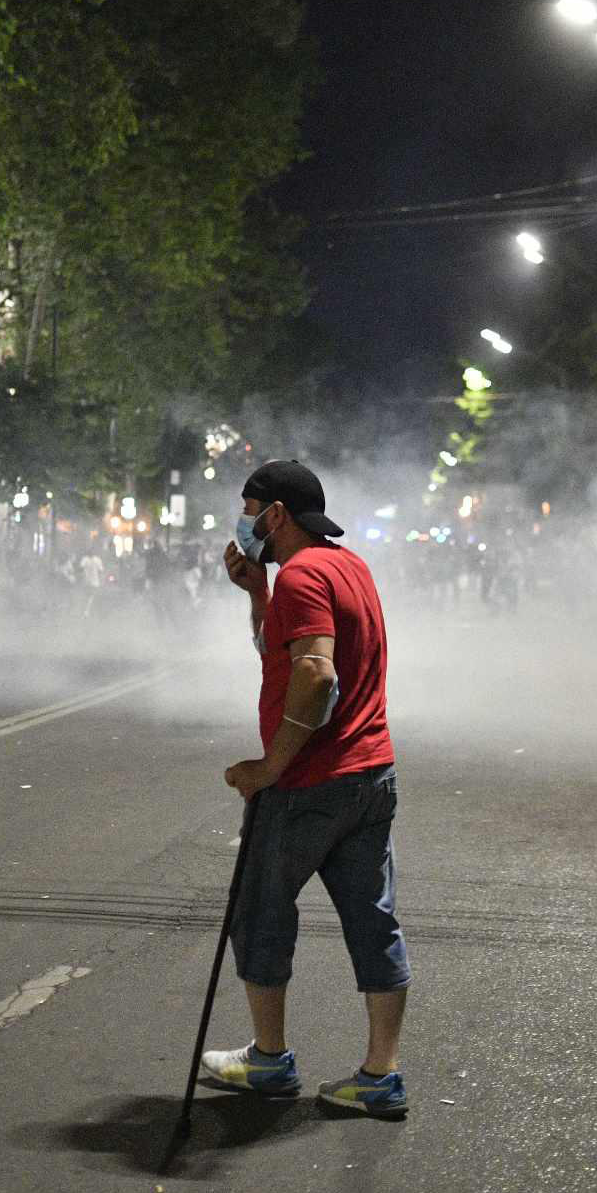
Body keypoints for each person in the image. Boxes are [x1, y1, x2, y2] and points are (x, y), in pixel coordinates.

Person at [202, 459, 409, 1118]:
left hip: (309, 785)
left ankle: (269, 1060)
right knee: (372, 921)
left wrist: (269, 768)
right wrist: (257, 592)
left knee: (260, 911)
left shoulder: (304, 573)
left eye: (249, 506)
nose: (244, 519)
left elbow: (315, 673)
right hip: (371, 775)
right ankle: (381, 1073)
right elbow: (286, 650)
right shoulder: (351, 567)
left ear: (277, 514)